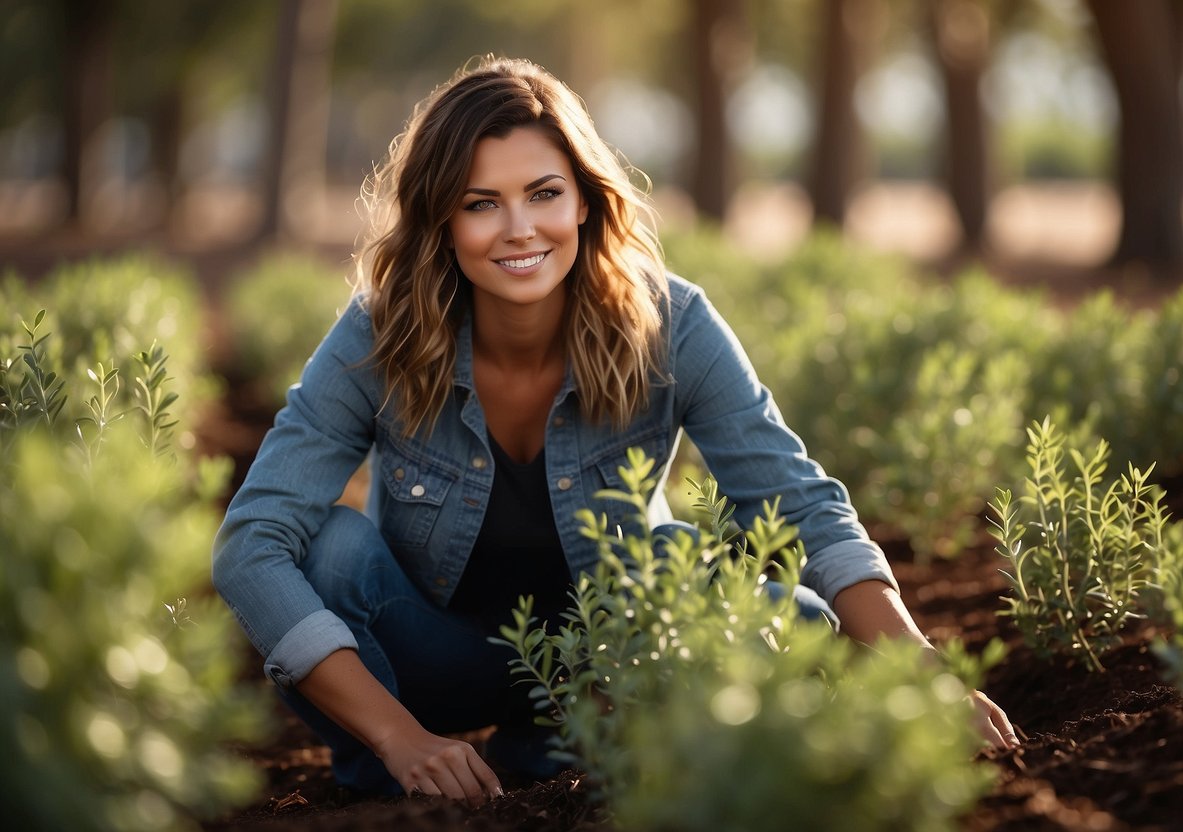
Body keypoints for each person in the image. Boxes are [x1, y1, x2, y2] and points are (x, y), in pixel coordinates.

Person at [212, 55, 1017, 807]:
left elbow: (801, 504)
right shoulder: (379, 334)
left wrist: (925, 681)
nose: (519, 229)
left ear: (587, 199)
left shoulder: (672, 324)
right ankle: (394, 777)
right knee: (332, 553)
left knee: (790, 615)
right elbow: (252, 541)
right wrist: (399, 735)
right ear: (441, 223)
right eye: (480, 204)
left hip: (614, 661)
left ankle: (555, 745)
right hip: (429, 661)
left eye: (543, 193)